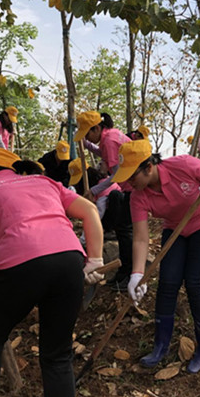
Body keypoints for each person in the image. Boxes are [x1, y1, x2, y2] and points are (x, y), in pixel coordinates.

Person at [0, 148, 104, 397]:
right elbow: (90, 210)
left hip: (17, 266)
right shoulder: (45, 182)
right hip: (68, 261)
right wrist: (95, 260)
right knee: (57, 355)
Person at [112, 139, 200, 373]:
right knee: (167, 283)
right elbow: (141, 238)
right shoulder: (138, 196)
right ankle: (160, 345)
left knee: (195, 282)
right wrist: (136, 273)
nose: (129, 182)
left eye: (133, 176)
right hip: (175, 229)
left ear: (149, 167)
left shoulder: (183, 165)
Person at [75, 111, 133, 289]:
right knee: (124, 228)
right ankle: (125, 273)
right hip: (129, 186)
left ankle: (127, 274)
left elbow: (115, 175)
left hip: (131, 187)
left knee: (125, 230)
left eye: (87, 134)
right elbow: (104, 153)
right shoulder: (111, 136)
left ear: (97, 128)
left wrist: (94, 190)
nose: (87, 138)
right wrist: (88, 145)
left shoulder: (109, 140)